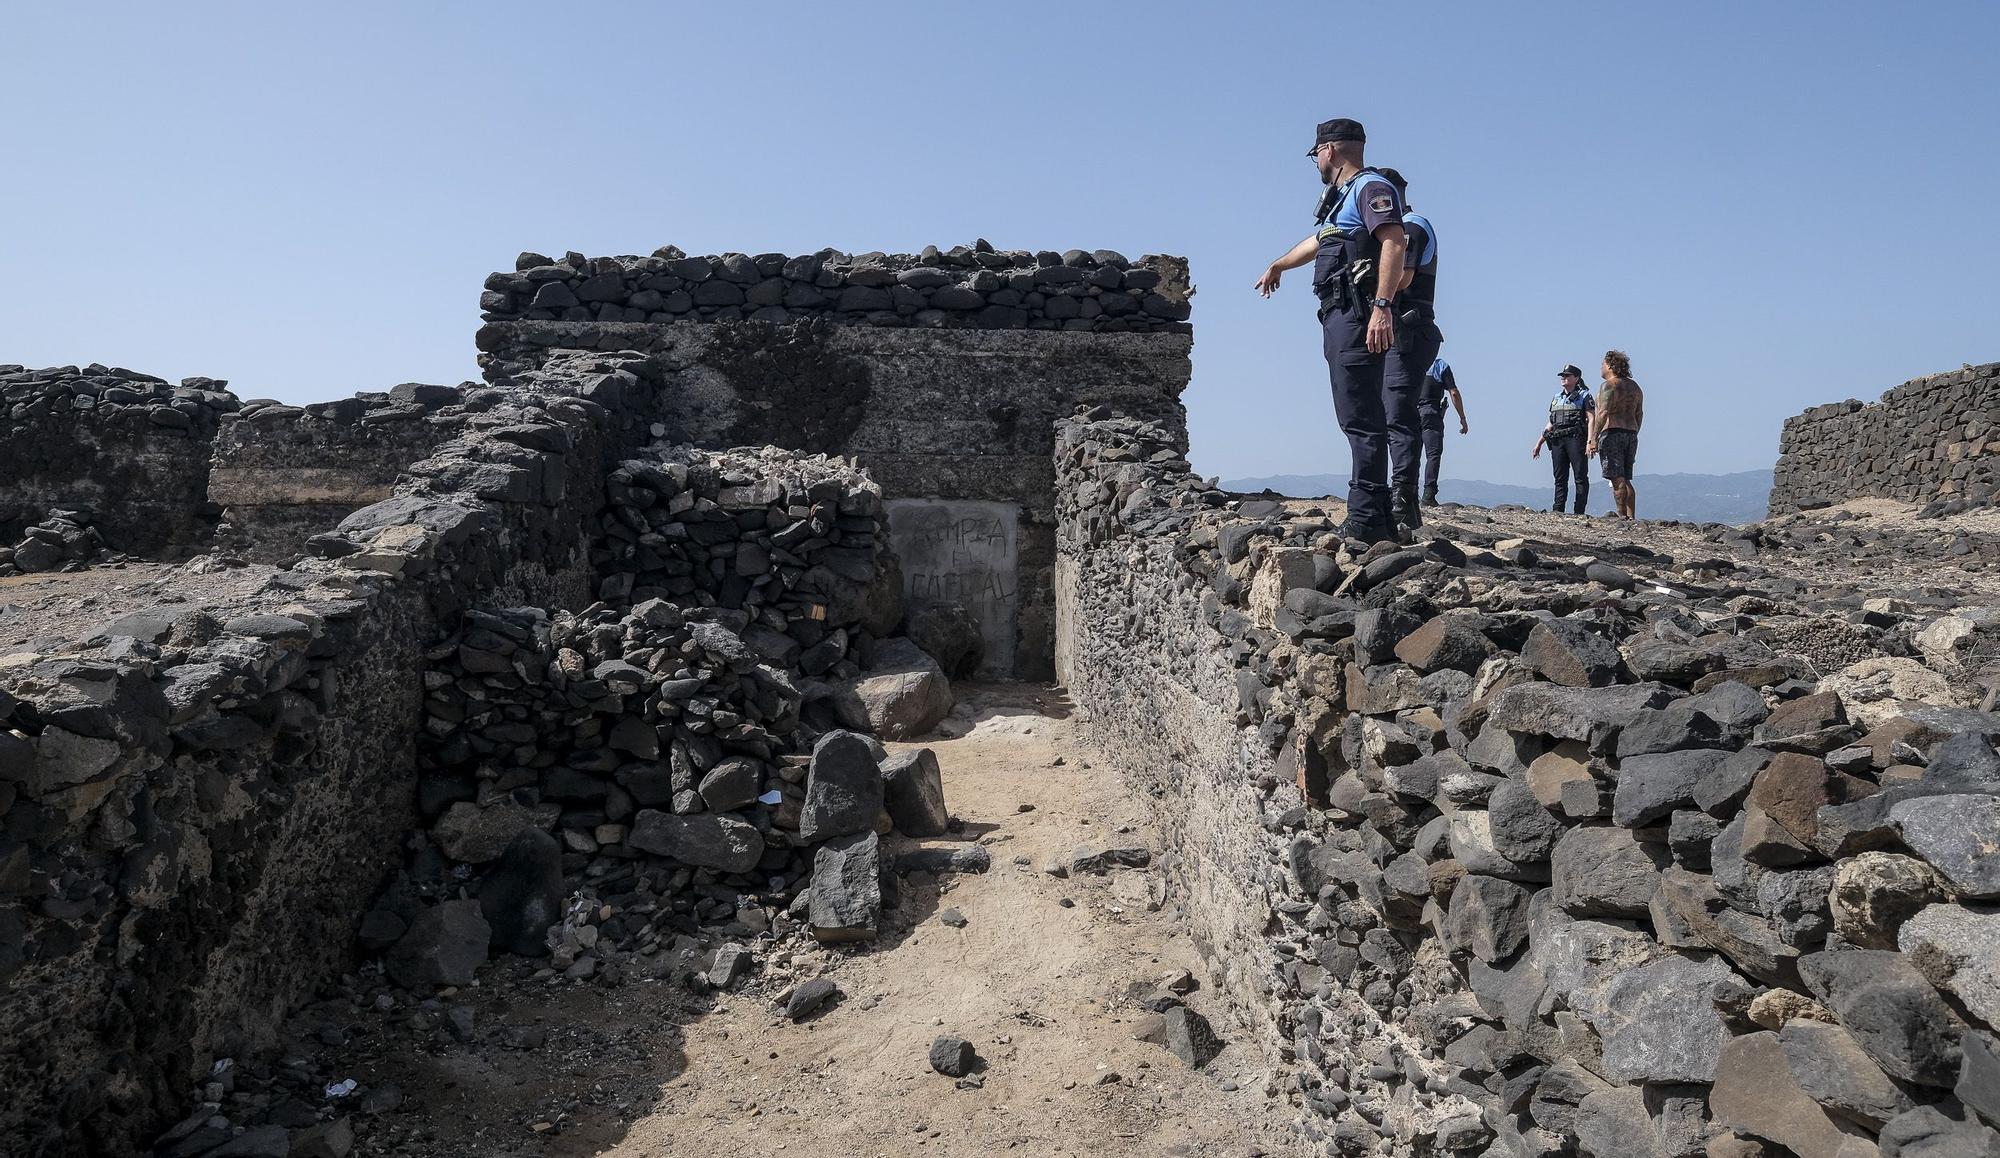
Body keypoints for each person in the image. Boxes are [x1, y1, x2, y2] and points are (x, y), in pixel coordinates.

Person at [1254, 117, 1409, 543]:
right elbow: (1319, 241)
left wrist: (1382, 306)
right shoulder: (1341, 198)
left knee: (1361, 416)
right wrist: (1278, 265)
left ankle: (1365, 516)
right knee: (1355, 414)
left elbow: (1394, 242)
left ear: (1330, 150)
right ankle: (1377, 520)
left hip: (1358, 314)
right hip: (1340, 316)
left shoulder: (1370, 188)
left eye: (1316, 154)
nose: (1315, 162)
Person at [1376, 167, 1442, 530]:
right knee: (1395, 415)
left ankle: (1403, 501)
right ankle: (1405, 500)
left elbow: (1403, 278)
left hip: (1409, 333)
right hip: (1407, 333)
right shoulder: (1409, 227)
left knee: (1397, 416)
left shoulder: (1412, 226)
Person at [1531, 365, 1594, 514]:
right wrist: (1539, 443)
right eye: (1563, 376)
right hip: (1558, 440)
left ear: (1576, 378)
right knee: (1559, 477)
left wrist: (1590, 441)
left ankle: (1579, 511)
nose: (1564, 378)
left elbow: (1592, 419)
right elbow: (1551, 422)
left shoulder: (1584, 396)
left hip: (1576, 439)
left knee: (1580, 476)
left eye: (1568, 375)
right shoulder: (1556, 398)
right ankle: (1558, 510)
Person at [1589, 349, 1644, 519]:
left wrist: (1593, 438)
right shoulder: (1635, 387)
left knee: (1616, 478)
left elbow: (1603, 413)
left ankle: (1621, 516)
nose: (1601, 368)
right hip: (1631, 433)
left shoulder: (1609, 386)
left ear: (1611, 365)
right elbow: (1639, 414)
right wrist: (1634, 431)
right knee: (1626, 478)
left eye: (1603, 364)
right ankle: (1631, 516)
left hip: (1612, 432)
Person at [1416, 356, 1468, 506]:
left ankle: (1406, 492)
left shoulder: (1411, 361)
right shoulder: (1440, 366)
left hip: (1409, 412)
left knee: (1410, 454)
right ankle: (1428, 495)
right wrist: (1462, 418)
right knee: (1433, 454)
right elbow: (1454, 393)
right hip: (1431, 413)